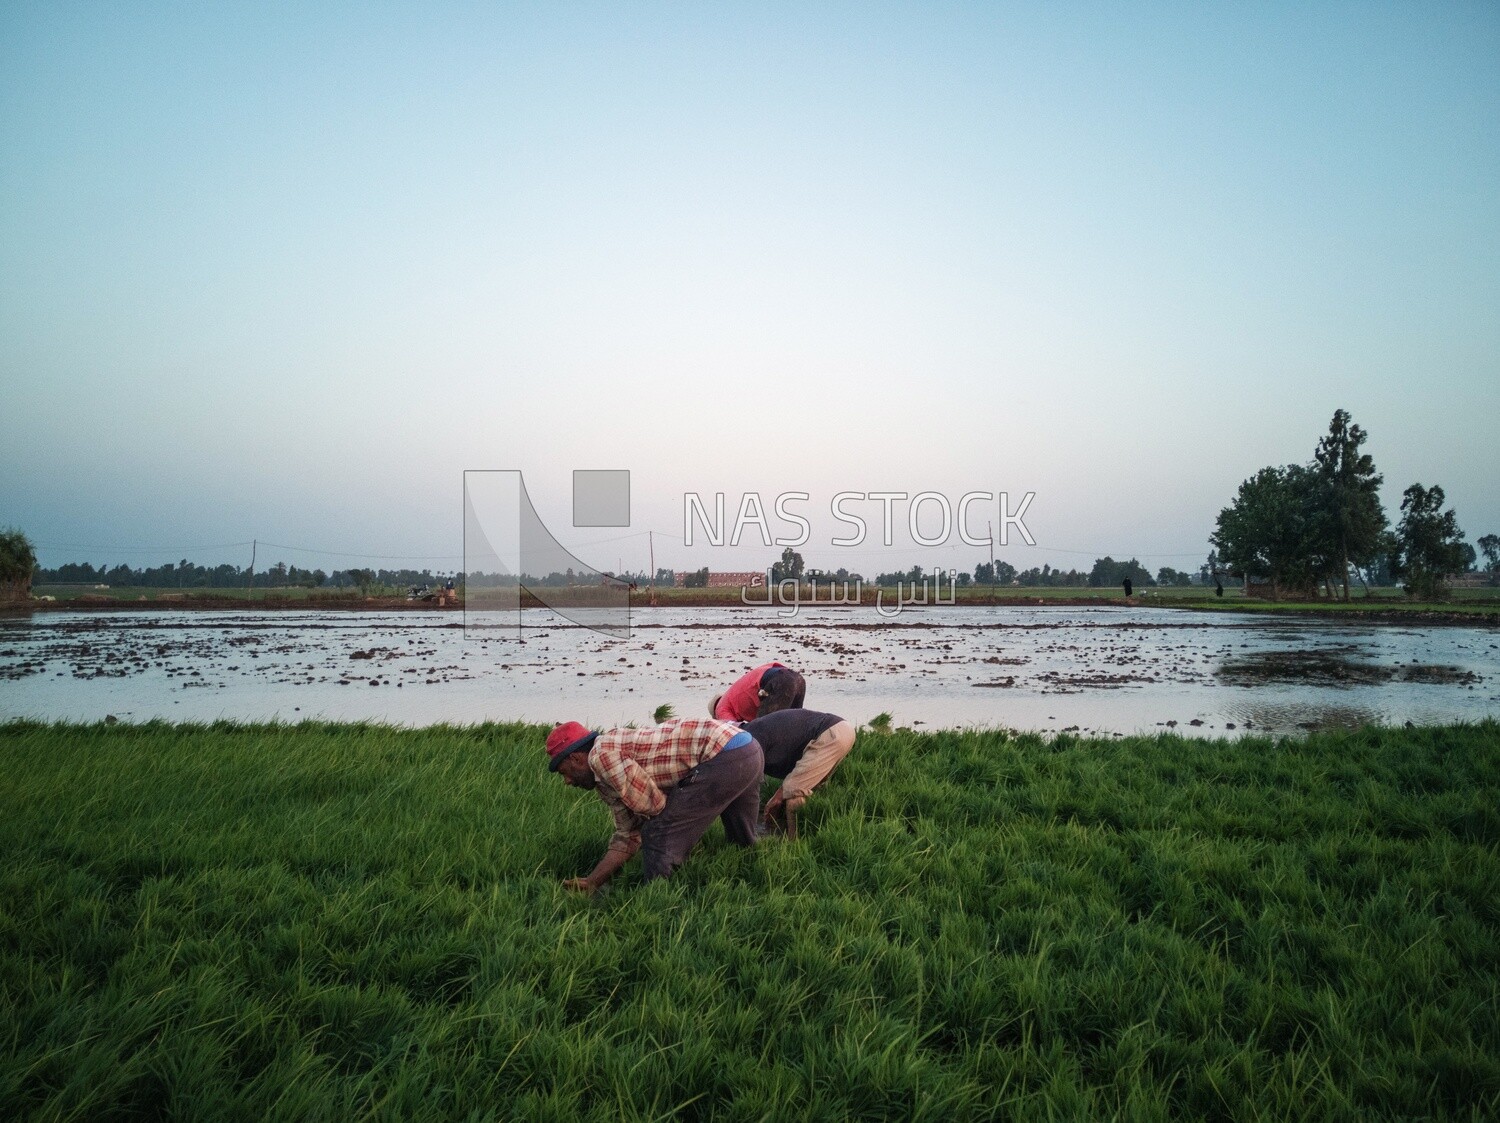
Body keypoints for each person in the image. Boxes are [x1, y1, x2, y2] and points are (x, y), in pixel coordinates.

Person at [546, 717, 763, 892]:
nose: (567, 782)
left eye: (564, 772)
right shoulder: (606, 766)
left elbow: (655, 808)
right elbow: (629, 832)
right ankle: (752, 878)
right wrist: (593, 881)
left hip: (724, 755)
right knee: (741, 841)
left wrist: (668, 826)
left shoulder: (600, 756)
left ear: (576, 759)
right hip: (748, 747)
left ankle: (659, 898)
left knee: (657, 832)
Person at [744, 708, 857, 839]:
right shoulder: (755, 730)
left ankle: (793, 844)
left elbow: (750, 784)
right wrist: (779, 794)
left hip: (830, 733)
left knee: (794, 792)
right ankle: (812, 830)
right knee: (808, 785)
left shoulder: (750, 739)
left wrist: (777, 798)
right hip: (842, 729)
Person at [710, 661, 806, 722]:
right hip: (796, 678)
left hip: (780, 681)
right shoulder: (732, 695)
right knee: (793, 725)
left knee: (763, 729)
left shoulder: (720, 708)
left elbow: (732, 733)